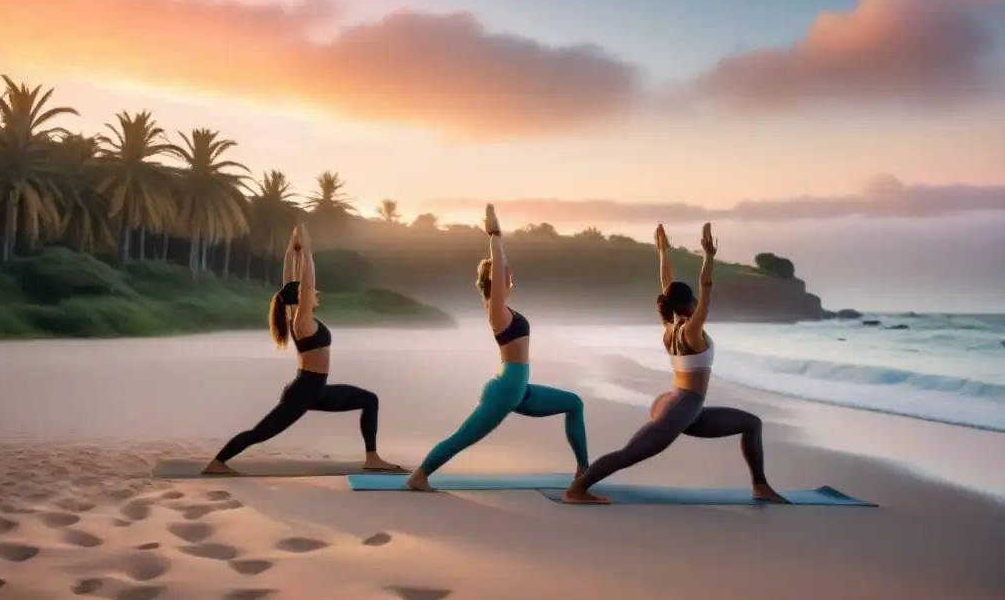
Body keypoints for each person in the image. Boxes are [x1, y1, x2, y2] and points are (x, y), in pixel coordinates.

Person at [561, 222, 786, 504]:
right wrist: (709, 256)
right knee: (630, 453)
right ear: (687, 304)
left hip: (678, 403)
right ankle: (577, 489)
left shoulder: (670, 325)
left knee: (751, 423)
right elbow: (706, 287)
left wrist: (663, 252)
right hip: (683, 405)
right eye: (693, 299)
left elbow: (666, 286)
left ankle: (760, 486)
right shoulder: (691, 329)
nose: (697, 301)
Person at [405, 204, 597, 493]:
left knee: (574, 403)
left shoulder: (505, 309)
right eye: (506, 271)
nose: (511, 274)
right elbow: (497, 267)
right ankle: (419, 476)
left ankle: (583, 469)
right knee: (463, 437)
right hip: (506, 388)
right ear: (495, 279)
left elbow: (500, 273)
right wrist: (495, 234)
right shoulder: (496, 310)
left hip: (518, 388)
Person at [203, 223, 401, 475]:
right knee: (260, 433)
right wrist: (306, 251)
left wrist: (291, 251)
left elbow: (291, 282)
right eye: (311, 291)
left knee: (369, 400)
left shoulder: (294, 312)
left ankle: (372, 457)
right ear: (303, 297)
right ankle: (217, 462)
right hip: (304, 391)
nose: (316, 292)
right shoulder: (301, 320)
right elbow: (305, 282)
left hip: (314, 388)